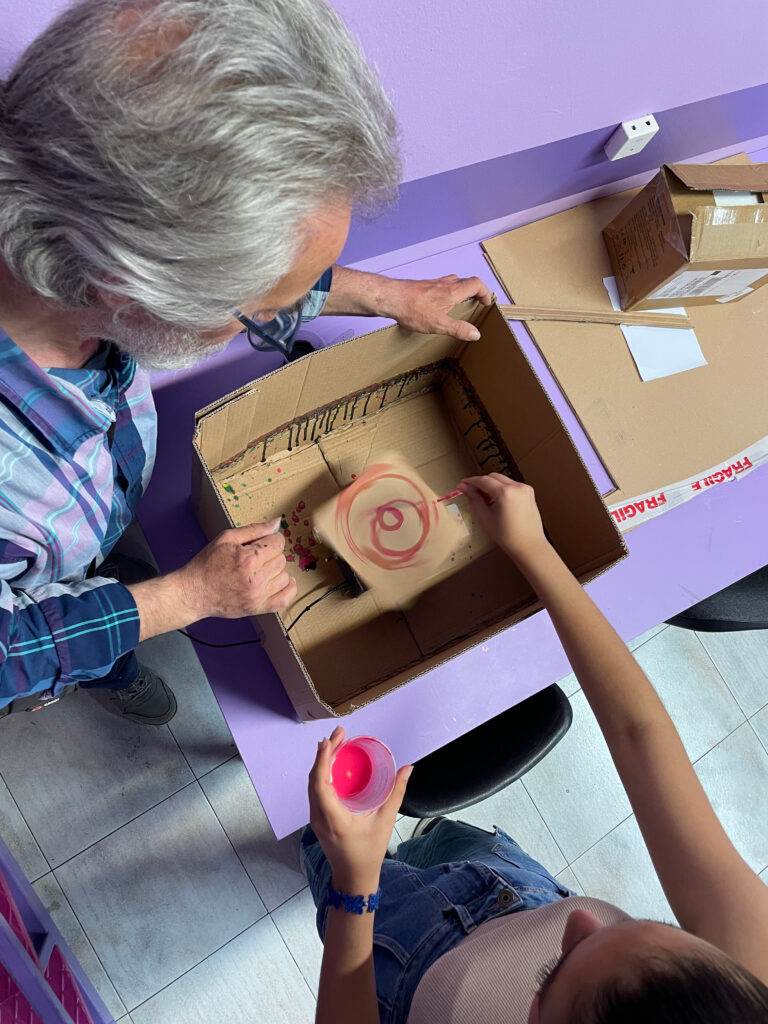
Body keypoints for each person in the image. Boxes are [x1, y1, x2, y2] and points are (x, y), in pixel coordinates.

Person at [0, 0, 491, 724]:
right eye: (264, 311)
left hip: (85, 526)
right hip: (27, 632)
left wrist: (389, 295)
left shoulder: (81, 243)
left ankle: (105, 587)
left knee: (105, 583)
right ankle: (106, 667)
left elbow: (249, 274)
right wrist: (185, 598)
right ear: (128, 286)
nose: (274, 319)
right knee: (90, 645)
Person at [303, 473, 768, 1024]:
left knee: (321, 839)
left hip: (396, 969)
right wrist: (534, 548)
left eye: (554, 971)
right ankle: (428, 846)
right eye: (657, 924)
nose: (579, 920)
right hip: (510, 883)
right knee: (450, 841)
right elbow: (638, 731)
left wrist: (355, 887)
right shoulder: (745, 990)